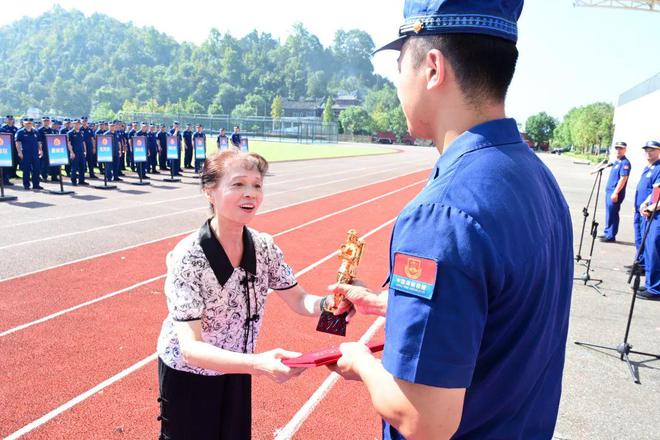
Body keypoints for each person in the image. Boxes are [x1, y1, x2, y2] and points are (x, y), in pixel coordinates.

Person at [328, 1, 574, 439]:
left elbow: (424, 420)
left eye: (401, 63)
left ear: (433, 69)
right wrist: (395, 305)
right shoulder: (536, 177)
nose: (398, 82)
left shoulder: (441, 215)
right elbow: (501, 314)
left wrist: (360, 359)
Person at [156, 149, 345, 439]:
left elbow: (298, 299)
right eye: (238, 184)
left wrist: (330, 303)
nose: (251, 194)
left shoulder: (263, 246)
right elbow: (190, 349)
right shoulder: (188, 257)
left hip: (237, 368)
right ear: (210, 191)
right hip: (189, 376)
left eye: (257, 185)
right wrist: (258, 364)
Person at [635, 140, 660, 301]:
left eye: (652, 150)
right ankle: (651, 283)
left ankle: (656, 289)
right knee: (650, 250)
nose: (648, 152)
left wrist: (652, 207)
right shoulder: (649, 167)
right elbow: (655, 192)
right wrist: (646, 203)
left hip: (657, 217)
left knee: (655, 251)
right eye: (646, 150)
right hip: (651, 215)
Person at [600, 142, 631, 242]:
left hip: (615, 192)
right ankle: (607, 232)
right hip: (610, 191)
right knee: (609, 213)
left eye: (621, 148)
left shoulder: (625, 163)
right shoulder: (616, 161)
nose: (618, 150)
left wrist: (616, 192)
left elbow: (623, 178)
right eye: (617, 148)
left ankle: (611, 235)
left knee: (613, 213)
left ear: (625, 150)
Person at [15, 118, 43, 190]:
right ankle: (26, 185)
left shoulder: (35, 131)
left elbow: (39, 142)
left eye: (30, 123)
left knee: (36, 169)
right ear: (24, 123)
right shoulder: (20, 132)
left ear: (32, 124)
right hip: (25, 153)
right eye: (27, 123)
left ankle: (36, 184)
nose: (28, 124)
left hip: (35, 153)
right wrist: (19, 152)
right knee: (26, 169)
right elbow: (17, 143)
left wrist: (40, 150)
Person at [37, 116, 58, 182]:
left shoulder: (52, 130)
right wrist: (40, 150)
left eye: (47, 121)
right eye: (45, 121)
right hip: (44, 149)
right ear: (42, 122)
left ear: (49, 122)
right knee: (44, 164)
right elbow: (39, 141)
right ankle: (44, 177)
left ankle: (54, 177)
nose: (46, 122)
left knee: (54, 163)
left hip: (52, 149)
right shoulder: (39, 130)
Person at [67, 119, 88, 186]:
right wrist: (71, 152)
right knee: (74, 167)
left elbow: (83, 142)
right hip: (75, 152)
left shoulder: (81, 132)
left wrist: (85, 151)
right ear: (73, 124)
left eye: (79, 124)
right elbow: (69, 143)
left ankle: (81, 180)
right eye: (76, 124)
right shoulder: (70, 133)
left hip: (81, 152)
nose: (77, 125)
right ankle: (73, 181)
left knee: (82, 166)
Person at [0, 115, 18, 183]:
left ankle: (9, 176)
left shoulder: (16, 129)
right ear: (6, 120)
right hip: (5, 149)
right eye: (9, 119)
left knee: (13, 163)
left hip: (13, 148)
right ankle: (5, 179)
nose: (10, 120)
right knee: (5, 165)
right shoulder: (2, 129)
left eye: (11, 119)